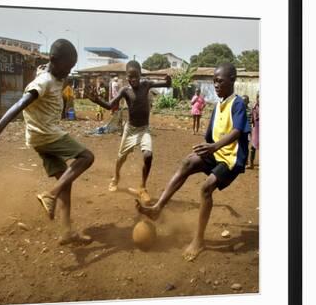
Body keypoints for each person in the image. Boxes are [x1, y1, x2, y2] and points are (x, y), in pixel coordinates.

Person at [0, 39, 94, 245]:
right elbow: (21, 103)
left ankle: (67, 231)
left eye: (71, 69)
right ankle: (50, 195)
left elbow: (48, 73)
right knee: (87, 157)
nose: (68, 73)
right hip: (48, 135)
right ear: (54, 61)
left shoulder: (51, 75)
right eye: (67, 68)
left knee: (65, 182)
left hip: (39, 138)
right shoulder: (44, 81)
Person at [137, 63, 250, 261]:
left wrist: (213, 147)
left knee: (206, 188)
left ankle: (199, 240)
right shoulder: (218, 105)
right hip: (216, 152)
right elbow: (210, 135)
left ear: (232, 79)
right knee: (187, 162)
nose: (215, 84)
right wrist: (206, 147)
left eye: (220, 80)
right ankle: (157, 208)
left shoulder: (238, 103)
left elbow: (237, 132)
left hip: (231, 159)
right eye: (214, 80)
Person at [88, 60, 171, 202]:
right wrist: (97, 100)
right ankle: (115, 178)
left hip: (144, 129)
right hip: (130, 130)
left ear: (140, 75)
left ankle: (142, 187)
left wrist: (168, 80)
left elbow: (166, 85)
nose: (132, 79)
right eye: (129, 76)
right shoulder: (125, 90)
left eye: (135, 76)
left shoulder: (146, 84)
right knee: (121, 158)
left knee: (148, 155)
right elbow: (109, 106)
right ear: (126, 76)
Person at [248, 92, 259, 169]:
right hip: (256, 129)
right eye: (258, 97)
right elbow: (252, 119)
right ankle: (251, 164)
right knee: (253, 147)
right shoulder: (254, 107)